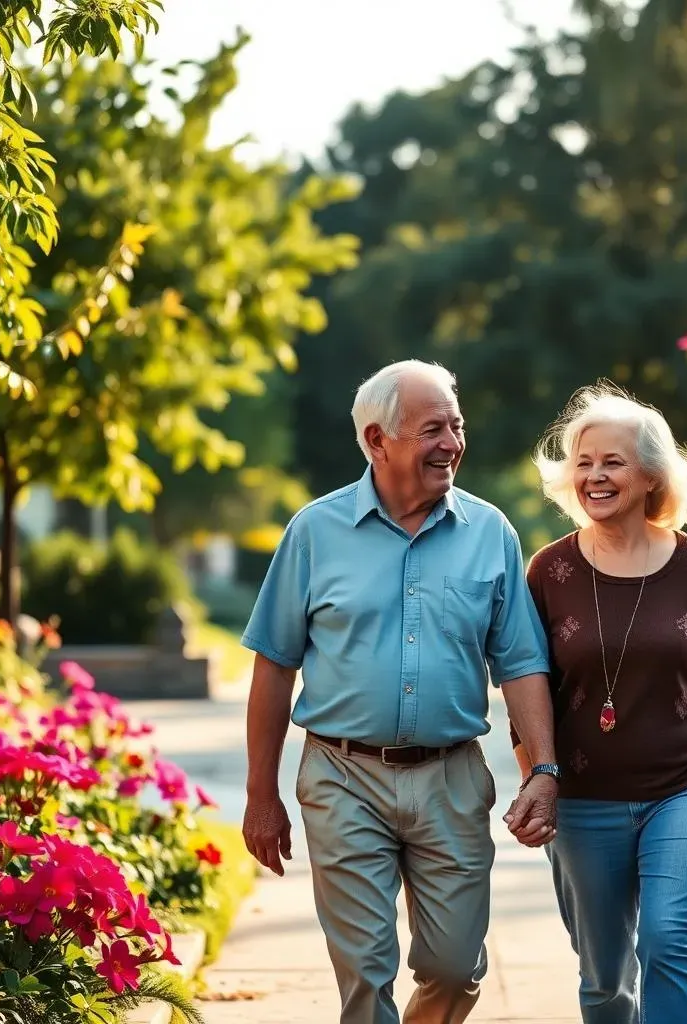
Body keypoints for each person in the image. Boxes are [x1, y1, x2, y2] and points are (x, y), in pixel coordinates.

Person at [240, 359, 560, 1024]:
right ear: (377, 441)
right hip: (341, 775)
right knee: (364, 970)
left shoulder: (490, 534)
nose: (452, 442)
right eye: (431, 429)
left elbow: (523, 663)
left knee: (454, 968)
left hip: (451, 777)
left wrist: (546, 770)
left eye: (456, 425)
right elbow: (273, 665)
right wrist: (260, 793)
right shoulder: (313, 532)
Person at [507, 384, 687, 1024]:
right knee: (606, 978)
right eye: (583, 463)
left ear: (648, 476)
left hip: (685, 788)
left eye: (612, 461)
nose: (594, 476)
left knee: (667, 941)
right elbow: (527, 691)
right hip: (585, 799)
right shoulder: (548, 572)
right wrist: (537, 778)